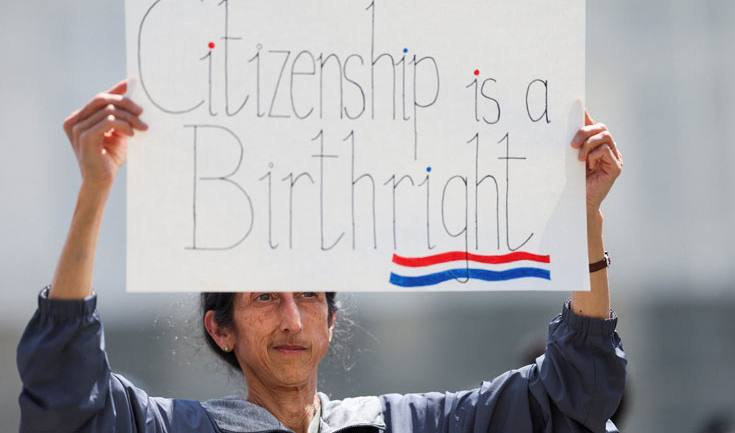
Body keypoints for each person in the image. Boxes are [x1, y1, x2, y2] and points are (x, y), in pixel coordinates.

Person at [17, 79, 626, 433]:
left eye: (309, 294)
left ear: (332, 321)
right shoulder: (179, 428)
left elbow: (571, 396)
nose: (291, 317)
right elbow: (68, 396)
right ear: (220, 329)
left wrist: (586, 221)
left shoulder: (398, 425)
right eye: (262, 297)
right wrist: (94, 192)